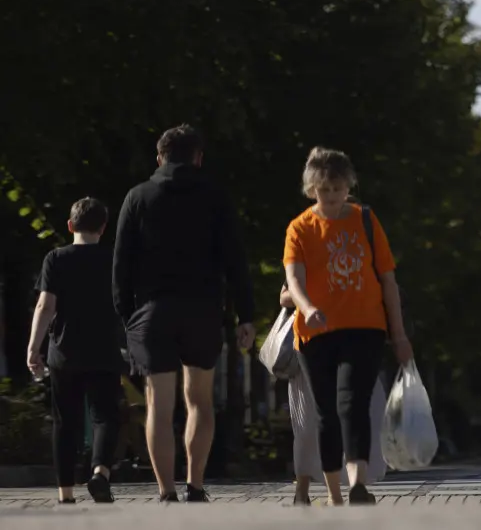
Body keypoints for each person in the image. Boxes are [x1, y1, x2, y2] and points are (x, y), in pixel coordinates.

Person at [112, 125, 257, 503]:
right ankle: (195, 485)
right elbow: (235, 261)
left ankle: (166, 492)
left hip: (151, 312)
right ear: (198, 157)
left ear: (159, 157)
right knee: (199, 401)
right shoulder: (215, 197)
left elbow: (120, 267)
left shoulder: (137, 197)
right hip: (202, 310)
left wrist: (127, 318)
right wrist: (246, 315)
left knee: (159, 406)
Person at [283, 147, 413, 506]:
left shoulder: (366, 220)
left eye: (339, 189)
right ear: (312, 189)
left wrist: (398, 335)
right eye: (324, 191)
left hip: (365, 327)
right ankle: (334, 493)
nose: (332, 198)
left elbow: (388, 282)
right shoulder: (300, 228)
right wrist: (307, 308)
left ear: (349, 186)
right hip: (315, 333)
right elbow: (293, 279)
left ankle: (358, 484)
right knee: (325, 411)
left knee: (352, 404)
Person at [27, 198, 125, 505]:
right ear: (104, 228)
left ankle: (65, 493)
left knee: (64, 421)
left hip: (64, 351)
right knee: (107, 416)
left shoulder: (56, 258)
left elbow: (46, 305)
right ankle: (100, 472)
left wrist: (34, 347)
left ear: (70, 225)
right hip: (106, 350)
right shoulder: (114, 259)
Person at [279, 284, 388, 505]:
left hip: (351, 342)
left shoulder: (361, 252)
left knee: (354, 415)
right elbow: (285, 297)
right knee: (309, 426)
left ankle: (354, 487)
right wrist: (313, 296)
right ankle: (311, 491)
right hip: (310, 348)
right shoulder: (304, 252)